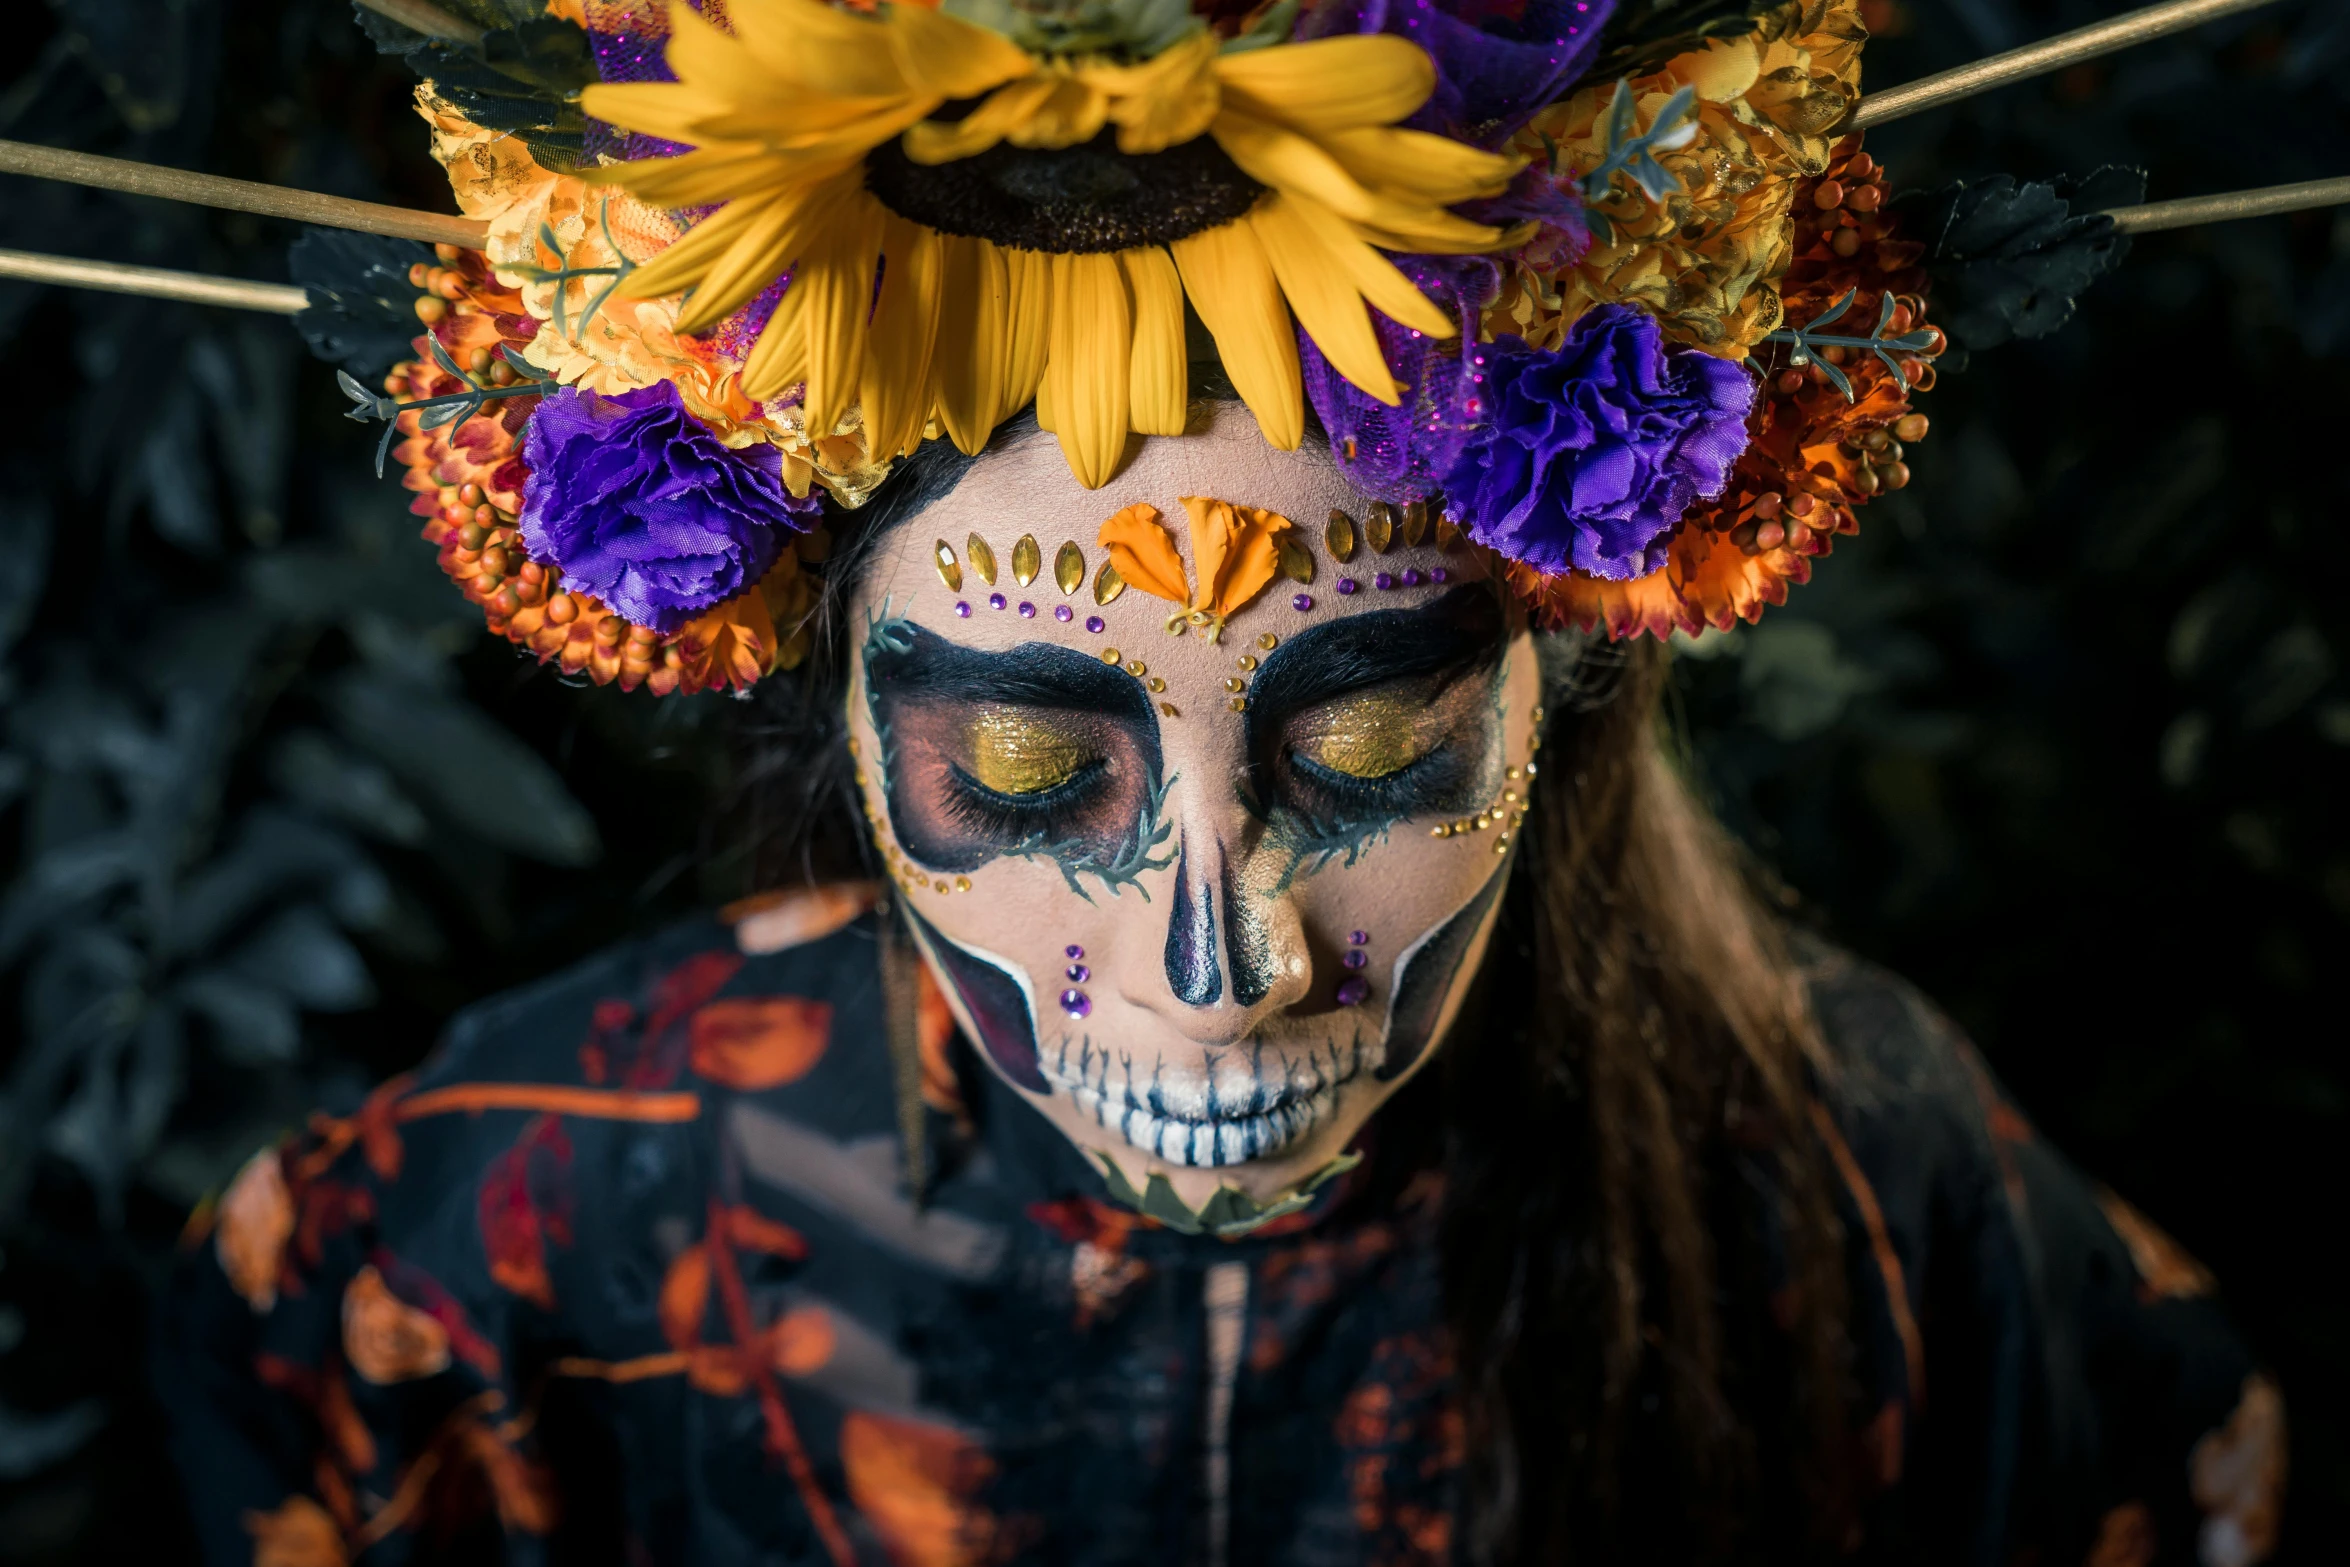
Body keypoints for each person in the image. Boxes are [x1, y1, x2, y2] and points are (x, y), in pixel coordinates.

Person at [147, 0, 2289, 1560]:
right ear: (837, 721)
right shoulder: (527, 1205)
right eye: (1013, 761)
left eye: (1365, 748)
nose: (1218, 967)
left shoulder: (1860, 1196)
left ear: (1560, 702)